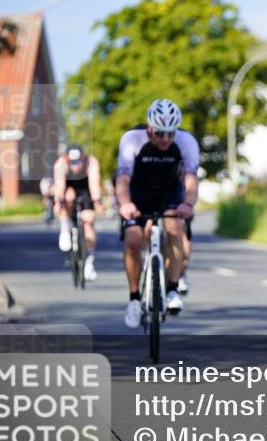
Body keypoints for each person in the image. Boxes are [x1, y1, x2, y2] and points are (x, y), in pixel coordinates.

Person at [116, 99, 199, 328]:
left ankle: (172, 289)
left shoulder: (186, 142)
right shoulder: (132, 139)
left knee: (175, 228)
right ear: (149, 128)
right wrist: (125, 204)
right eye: (159, 133)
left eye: (170, 134)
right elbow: (123, 179)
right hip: (138, 192)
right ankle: (134, 299)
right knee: (133, 238)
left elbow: (191, 181)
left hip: (169, 191)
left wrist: (188, 205)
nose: (165, 139)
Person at [53, 145, 104, 280]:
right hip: (68, 187)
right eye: (72, 162)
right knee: (68, 197)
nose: (76, 166)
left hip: (85, 187)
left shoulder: (91, 162)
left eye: (78, 162)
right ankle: (65, 227)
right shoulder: (60, 164)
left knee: (88, 221)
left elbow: (94, 184)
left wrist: (97, 202)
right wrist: (58, 202)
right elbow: (60, 186)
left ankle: (89, 262)